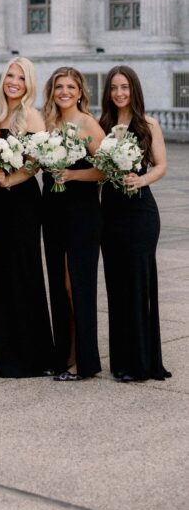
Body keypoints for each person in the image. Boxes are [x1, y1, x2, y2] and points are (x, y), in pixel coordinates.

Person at [99, 66, 171, 382]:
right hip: (110, 212)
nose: (119, 93)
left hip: (140, 211)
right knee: (117, 286)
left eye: (125, 87)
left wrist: (139, 179)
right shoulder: (102, 126)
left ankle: (143, 362)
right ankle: (122, 363)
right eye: (114, 87)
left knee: (139, 284)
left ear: (134, 89)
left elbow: (161, 166)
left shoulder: (148, 124)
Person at [0, 58, 55, 377]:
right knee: (2, 274)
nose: (14, 81)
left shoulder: (31, 115)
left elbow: (36, 161)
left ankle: (35, 355)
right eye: (10, 75)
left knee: (25, 271)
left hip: (23, 201)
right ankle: (9, 355)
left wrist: (11, 180)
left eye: (21, 77)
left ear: (29, 84)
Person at [41, 67, 104, 382]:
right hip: (52, 208)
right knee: (57, 281)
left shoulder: (88, 123)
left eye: (70, 87)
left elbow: (107, 171)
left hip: (81, 211)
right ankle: (63, 354)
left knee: (74, 283)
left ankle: (83, 360)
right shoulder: (49, 124)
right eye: (58, 87)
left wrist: (73, 174)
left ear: (81, 92)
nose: (64, 92)